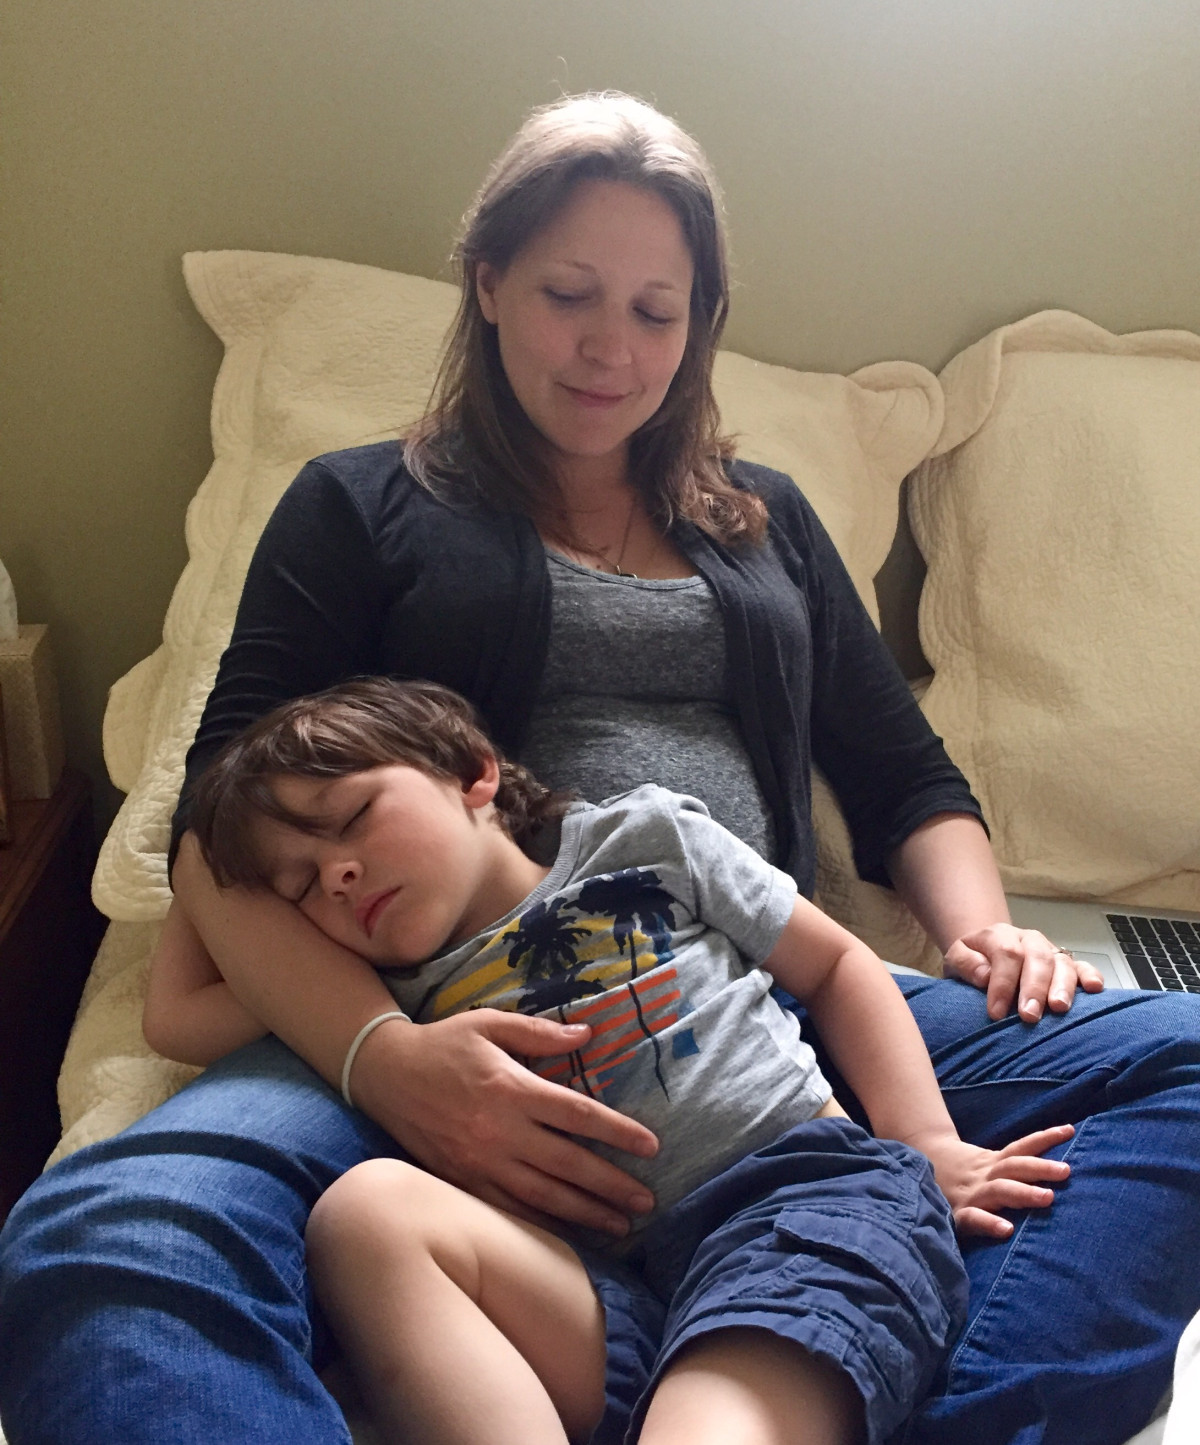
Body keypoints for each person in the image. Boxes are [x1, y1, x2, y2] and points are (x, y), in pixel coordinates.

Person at [0, 89, 1197, 1445]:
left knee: (1185, 1055)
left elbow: (904, 771)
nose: (610, 347)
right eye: (569, 293)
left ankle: (910, 1401)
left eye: (656, 310)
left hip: (748, 996)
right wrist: (386, 1057)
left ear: (699, 325)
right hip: (451, 1010)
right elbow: (223, 831)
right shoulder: (360, 505)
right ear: (488, 282)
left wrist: (984, 932)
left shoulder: (767, 521)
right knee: (116, 1237)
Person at [152, 675, 1073, 1445]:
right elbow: (173, 1014)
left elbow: (835, 965)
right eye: (299, 884)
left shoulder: (642, 836)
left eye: (352, 817)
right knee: (364, 1213)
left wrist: (924, 1139)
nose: (336, 874)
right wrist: (210, 842)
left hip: (798, 1218)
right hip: (616, 1293)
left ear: (473, 773)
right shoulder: (378, 989)